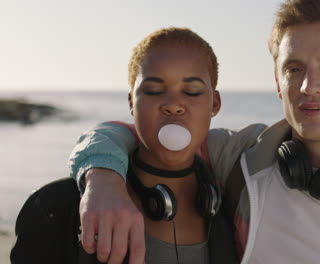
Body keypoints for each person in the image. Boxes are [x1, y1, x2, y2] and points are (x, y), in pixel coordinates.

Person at [66, 0, 320, 263]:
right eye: (294, 68)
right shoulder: (238, 157)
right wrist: (103, 179)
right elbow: (131, 132)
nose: (308, 86)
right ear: (276, 80)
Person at [11, 27, 238, 264]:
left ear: (215, 103)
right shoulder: (55, 206)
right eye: (153, 90)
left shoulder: (238, 206)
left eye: (191, 91)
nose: (173, 105)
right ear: (131, 102)